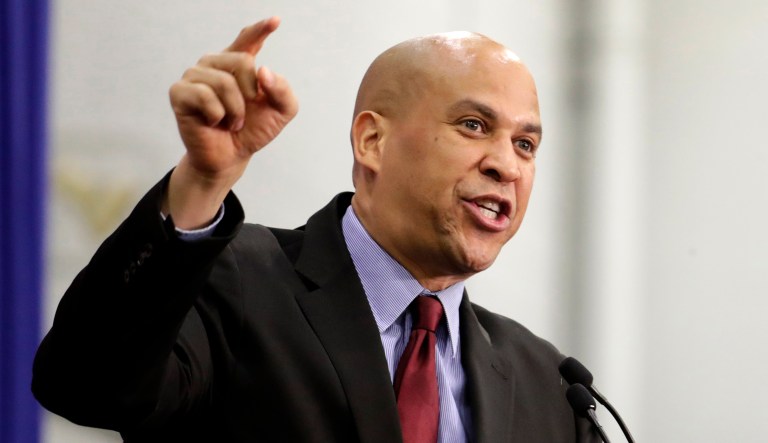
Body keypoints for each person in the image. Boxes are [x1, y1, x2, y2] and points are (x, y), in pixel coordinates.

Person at [33, 17, 599, 443]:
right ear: (372, 141)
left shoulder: (550, 384)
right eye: (473, 125)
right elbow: (85, 386)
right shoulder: (237, 279)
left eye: (526, 144)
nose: (507, 165)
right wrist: (201, 182)